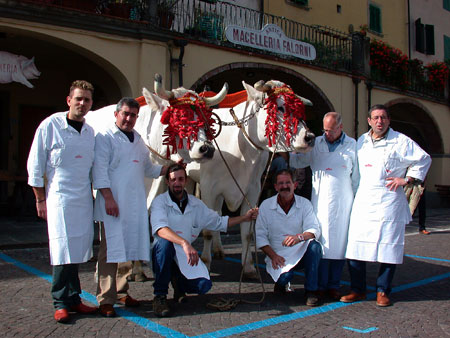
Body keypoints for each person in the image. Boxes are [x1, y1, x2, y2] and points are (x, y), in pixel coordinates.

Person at [341, 104, 431, 307]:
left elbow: (424, 159)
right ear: (369, 120)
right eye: (375, 117)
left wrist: (406, 179)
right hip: (364, 200)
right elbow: (354, 171)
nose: (379, 121)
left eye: (383, 117)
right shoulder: (361, 141)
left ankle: (383, 290)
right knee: (355, 246)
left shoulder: (400, 141)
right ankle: (357, 289)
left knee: (389, 247)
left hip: (389, 201)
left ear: (389, 120)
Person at [27, 80, 98, 323]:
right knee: (61, 250)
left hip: (82, 199)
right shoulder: (50, 125)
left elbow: (94, 168)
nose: (82, 103)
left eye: (86, 100)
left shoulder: (90, 132)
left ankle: (75, 299)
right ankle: (60, 302)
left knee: (77, 250)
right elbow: (35, 165)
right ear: (69, 100)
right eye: (78, 98)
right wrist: (40, 199)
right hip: (58, 198)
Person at [150, 163, 258, 317]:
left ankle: (178, 284)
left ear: (186, 181)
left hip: (183, 254)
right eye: (173, 180)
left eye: (180, 179)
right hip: (161, 252)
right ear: (167, 181)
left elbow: (219, 222)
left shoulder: (196, 204)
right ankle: (159, 296)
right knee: (164, 244)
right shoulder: (160, 202)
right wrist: (184, 243)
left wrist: (245, 218)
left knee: (203, 286)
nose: (177, 183)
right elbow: (160, 229)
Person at [92, 97, 167, 317]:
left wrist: (170, 167)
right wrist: (108, 197)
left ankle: (122, 291)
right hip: (112, 204)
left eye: (133, 115)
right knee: (109, 250)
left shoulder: (138, 139)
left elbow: (149, 169)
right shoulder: (105, 137)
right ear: (116, 114)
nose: (129, 118)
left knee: (126, 248)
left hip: (133, 204)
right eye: (125, 114)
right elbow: (99, 171)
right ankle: (105, 298)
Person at [290, 112, 358, 301]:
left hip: (343, 202)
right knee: (321, 244)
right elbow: (298, 161)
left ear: (340, 128)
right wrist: (293, 149)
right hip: (319, 202)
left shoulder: (352, 145)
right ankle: (319, 285)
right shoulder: (316, 143)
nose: (326, 134)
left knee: (339, 245)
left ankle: (334, 285)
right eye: (324, 130)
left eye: (331, 130)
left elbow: (356, 177)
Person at [255, 169, 322, 307]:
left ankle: (311, 291)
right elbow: (260, 236)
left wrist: (299, 237)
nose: (284, 186)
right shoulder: (266, 205)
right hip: (277, 254)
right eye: (280, 183)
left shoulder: (304, 204)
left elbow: (314, 230)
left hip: (299, 250)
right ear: (275, 187)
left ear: (295, 185)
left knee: (315, 247)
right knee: (285, 277)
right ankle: (281, 282)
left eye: (288, 183)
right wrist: (273, 256)